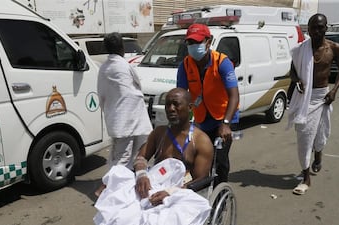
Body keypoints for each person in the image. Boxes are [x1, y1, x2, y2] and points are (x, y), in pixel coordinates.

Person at [93, 88, 213, 225]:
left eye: (176, 104)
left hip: (180, 192)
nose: (171, 109)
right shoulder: (159, 133)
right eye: (167, 105)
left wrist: (171, 192)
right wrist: (142, 175)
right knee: (115, 196)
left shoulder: (201, 141)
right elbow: (141, 157)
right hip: (153, 183)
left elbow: (200, 180)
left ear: (190, 107)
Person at [288, 13, 339, 195]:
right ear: (309, 28)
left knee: (321, 134)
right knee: (304, 137)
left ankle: (318, 155)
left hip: (324, 96)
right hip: (304, 96)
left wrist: (334, 90)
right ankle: (306, 178)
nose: (317, 31)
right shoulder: (300, 49)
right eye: (313, 27)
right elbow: (292, 70)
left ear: (326, 28)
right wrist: (296, 79)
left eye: (321, 27)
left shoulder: (334, 48)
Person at [176, 23, 240, 185]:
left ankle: (221, 195)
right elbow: (181, 96)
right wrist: (179, 123)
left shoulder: (222, 62)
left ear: (208, 41)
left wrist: (226, 124)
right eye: (190, 43)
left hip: (224, 117)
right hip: (202, 119)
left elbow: (234, 95)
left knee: (220, 160)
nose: (193, 46)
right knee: (196, 158)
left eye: (197, 42)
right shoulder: (185, 65)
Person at [95, 32, 153, 196]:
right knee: (124, 157)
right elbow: (134, 91)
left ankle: (125, 185)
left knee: (127, 155)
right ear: (121, 47)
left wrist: (110, 111)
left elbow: (102, 95)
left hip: (121, 120)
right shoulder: (122, 66)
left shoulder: (105, 68)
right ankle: (107, 188)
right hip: (127, 120)